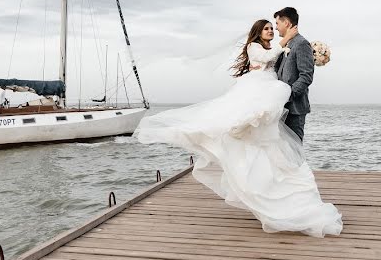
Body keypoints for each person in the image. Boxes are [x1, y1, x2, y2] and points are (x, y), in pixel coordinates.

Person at [133, 17, 342, 238]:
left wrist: (293, 49)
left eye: (273, 27)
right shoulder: (257, 47)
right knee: (250, 129)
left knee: (271, 142)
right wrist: (286, 41)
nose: (271, 30)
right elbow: (268, 58)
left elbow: (282, 66)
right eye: (267, 28)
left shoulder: (278, 47)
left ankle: (277, 188)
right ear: (258, 32)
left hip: (271, 89)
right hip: (261, 89)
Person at [273, 6, 313, 141]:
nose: (276, 28)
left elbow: (306, 76)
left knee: (294, 152)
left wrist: (287, 95)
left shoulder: (302, 44)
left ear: (287, 23)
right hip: (281, 108)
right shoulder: (287, 44)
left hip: (294, 109)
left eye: (277, 23)